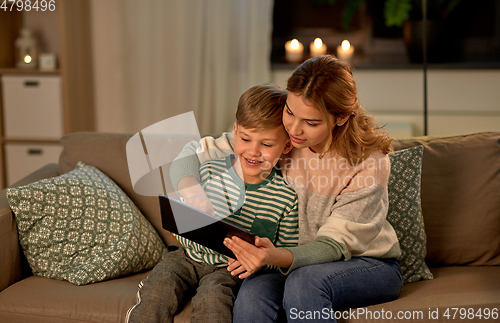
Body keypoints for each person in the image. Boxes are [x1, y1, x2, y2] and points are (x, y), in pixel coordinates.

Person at [170, 55, 403, 322]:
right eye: (290, 112)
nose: (293, 128)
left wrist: (274, 255)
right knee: (251, 297)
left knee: (304, 283)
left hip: (365, 263)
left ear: (340, 118)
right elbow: (193, 152)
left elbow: (334, 246)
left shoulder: (369, 162)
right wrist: (191, 191)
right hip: (286, 260)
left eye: (311, 122)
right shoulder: (279, 138)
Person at [126, 84, 299, 323]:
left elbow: (283, 256)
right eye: (246, 139)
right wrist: (188, 209)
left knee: (213, 302)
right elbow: (181, 224)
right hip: (186, 257)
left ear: (287, 145)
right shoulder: (209, 170)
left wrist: (257, 263)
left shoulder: (285, 198)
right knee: (158, 291)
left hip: (227, 272)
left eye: (267, 145)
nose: (253, 151)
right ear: (235, 132)